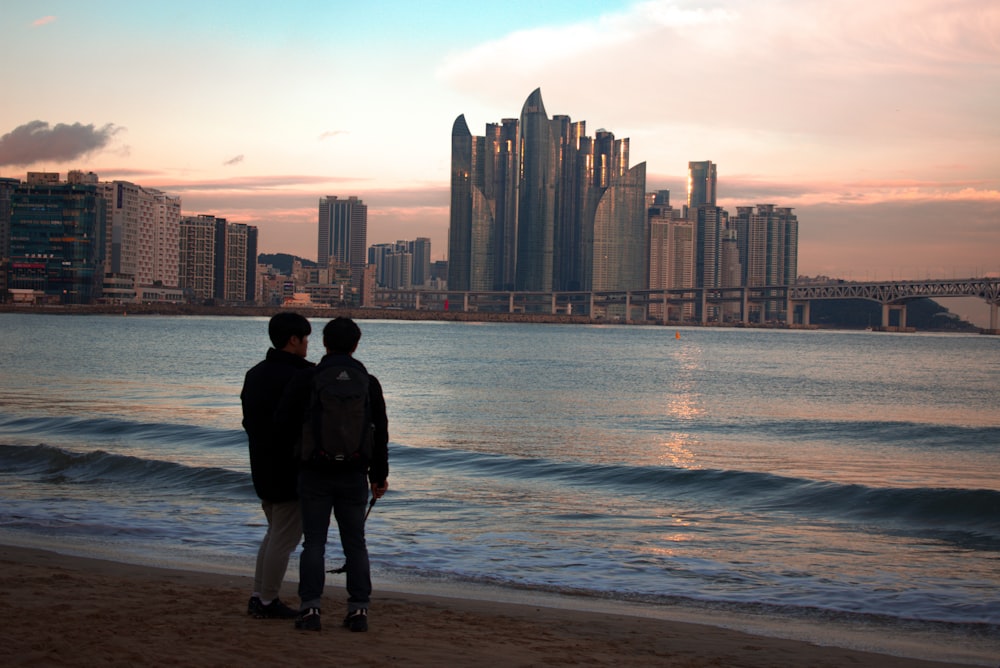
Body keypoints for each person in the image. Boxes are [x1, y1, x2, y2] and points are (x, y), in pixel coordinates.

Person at [280, 317, 389, 633]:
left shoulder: (308, 378)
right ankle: (358, 612)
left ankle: (310, 609)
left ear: (324, 343)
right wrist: (378, 476)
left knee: (314, 543)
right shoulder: (368, 382)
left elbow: (283, 424)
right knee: (355, 543)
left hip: (314, 472)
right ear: (356, 345)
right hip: (354, 473)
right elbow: (379, 434)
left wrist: (297, 457)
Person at [240, 312, 315, 619]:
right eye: (305, 338)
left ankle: (260, 595)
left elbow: (249, 421)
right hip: (291, 468)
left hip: (262, 462)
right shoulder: (303, 376)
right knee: (284, 539)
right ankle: (268, 600)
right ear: (293, 340)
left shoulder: (255, 373)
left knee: (274, 534)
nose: (308, 344)